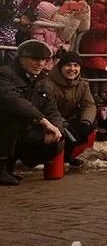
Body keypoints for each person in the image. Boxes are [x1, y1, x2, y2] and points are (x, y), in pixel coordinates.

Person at [0, 39, 64, 185]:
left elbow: (52, 110)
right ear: (21, 59)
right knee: (10, 118)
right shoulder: (4, 74)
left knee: (56, 141)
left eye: (44, 60)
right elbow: (13, 101)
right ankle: (1, 167)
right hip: (6, 126)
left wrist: (57, 129)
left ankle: (10, 166)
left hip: (24, 129)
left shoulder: (43, 81)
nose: (40, 63)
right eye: (35, 59)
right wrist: (43, 120)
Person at [45, 51, 97, 165]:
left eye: (76, 65)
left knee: (90, 124)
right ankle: (50, 157)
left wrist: (85, 122)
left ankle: (68, 156)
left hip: (69, 117)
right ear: (61, 67)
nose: (72, 68)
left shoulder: (82, 84)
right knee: (66, 132)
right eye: (68, 65)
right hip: (51, 120)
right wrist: (64, 124)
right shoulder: (48, 83)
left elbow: (89, 105)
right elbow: (49, 109)